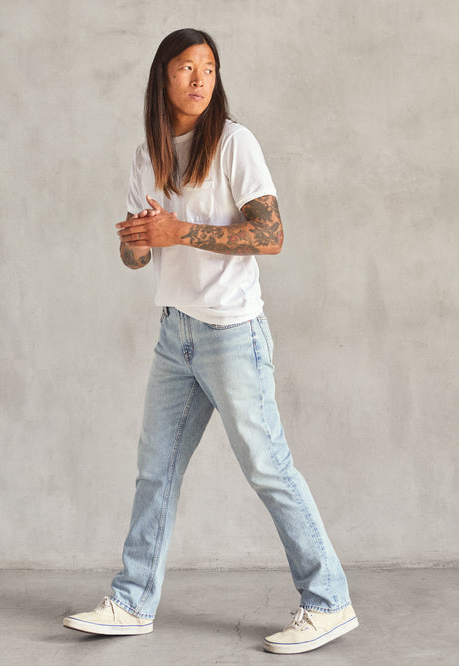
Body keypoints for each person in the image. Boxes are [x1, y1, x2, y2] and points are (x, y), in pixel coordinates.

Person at [63, 28, 358, 655]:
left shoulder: (232, 143)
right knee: (156, 472)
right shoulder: (147, 154)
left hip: (231, 333)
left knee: (268, 468)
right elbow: (137, 258)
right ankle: (132, 601)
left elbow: (270, 236)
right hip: (176, 333)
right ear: (162, 78)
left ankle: (329, 602)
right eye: (186, 68)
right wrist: (137, 242)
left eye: (209, 68)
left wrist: (180, 231)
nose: (200, 79)